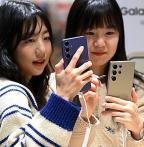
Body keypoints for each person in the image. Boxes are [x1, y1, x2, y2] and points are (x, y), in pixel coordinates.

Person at [63, 0, 144, 146]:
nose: (100, 43)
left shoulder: (140, 88)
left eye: (109, 33)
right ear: (73, 35)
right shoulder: (55, 86)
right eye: (89, 33)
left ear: (120, 36)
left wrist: (138, 130)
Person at [0, 1, 98, 146]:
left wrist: (84, 115)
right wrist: (62, 97)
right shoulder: (10, 92)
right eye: (29, 40)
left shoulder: (38, 88)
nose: (42, 50)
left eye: (46, 38)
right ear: (6, 44)